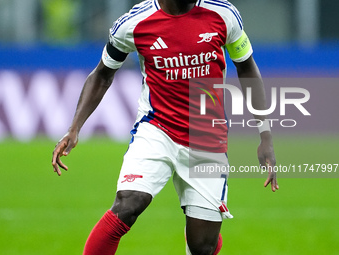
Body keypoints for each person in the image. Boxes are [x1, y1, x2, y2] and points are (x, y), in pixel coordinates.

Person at [52, 0, 279, 254]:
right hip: (156, 128)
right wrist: (74, 128)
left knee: (202, 246)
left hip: (207, 137)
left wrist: (265, 134)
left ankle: (206, 228)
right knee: (128, 204)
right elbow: (103, 74)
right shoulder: (134, 23)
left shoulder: (223, 14)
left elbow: (246, 67)